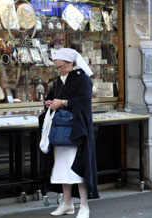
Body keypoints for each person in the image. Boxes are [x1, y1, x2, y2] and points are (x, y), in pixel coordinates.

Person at [39, 48, 99, 218]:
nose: (59, 70)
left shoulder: (82, 79)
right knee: (62, 168)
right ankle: (66, 203)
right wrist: (50, 102)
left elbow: (84, 103)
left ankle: (84, 206)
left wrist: (63, 102)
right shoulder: (59, 81)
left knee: (78, 168)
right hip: (61, 131)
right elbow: (54, 99)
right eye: (57, 67)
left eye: (61, 67)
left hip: (76, 130)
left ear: (70, 63)